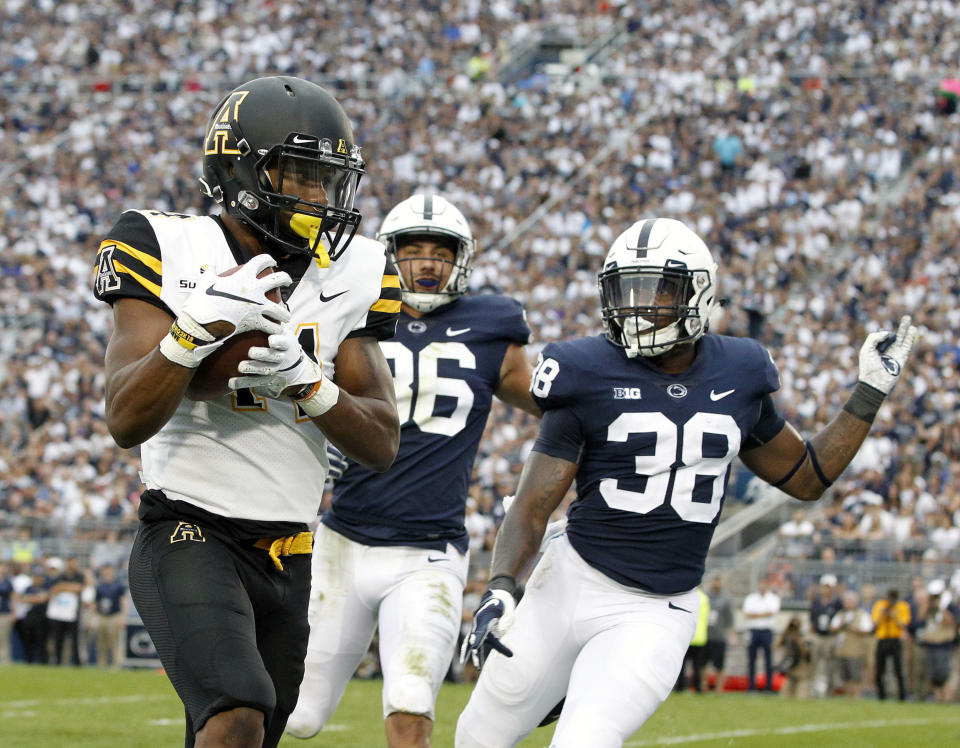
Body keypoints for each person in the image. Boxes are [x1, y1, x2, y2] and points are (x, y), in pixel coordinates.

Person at [455, 216, 917, 747]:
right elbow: (533, 506)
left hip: (655, 610)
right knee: (476, 736)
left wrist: (868, 394)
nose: (638, 306)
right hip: (570, 581)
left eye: (656, 291)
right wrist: (501, 587)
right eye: (626, 290)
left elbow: (807, 477)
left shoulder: (739, 372)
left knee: (585, 740)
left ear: (697, 293)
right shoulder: (585, 370)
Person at [94, 75, 401, 748]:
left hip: (291, 546)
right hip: (188, 525)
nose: (320, 198)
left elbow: (381, 442)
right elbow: (125, 417)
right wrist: (193, 331)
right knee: (238, 710)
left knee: (251, 732)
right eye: (300, 176)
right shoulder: (163, 243)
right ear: (239, 172)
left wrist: (310, 385)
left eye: (330, 180)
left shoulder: (358, 269)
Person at [286, 193, 539, 747]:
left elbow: (552, 404)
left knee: (411, 702)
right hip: (343, 542)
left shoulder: (493, 323)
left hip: (429, 552)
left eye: (439, 251)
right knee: (297, 716)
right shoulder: (354, 307)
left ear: (461, 259)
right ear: (390, 255)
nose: (426, 262)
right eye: (413, 250)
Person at [829, 590, 874, 699]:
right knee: (844, 675)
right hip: (842, 650)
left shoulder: (862, 615)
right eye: (847, 601)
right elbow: (832, 628)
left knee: (856, 676)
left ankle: (856, 696)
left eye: (850, 601)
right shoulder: (840, 615)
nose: (848, 603)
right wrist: (841, 626)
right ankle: (848, 696)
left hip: (856, 651)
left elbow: (868, 631)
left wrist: (852, 628)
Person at [45, 556, 86, 666]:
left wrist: (63, 587)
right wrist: (69, 588)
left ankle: (76, 662)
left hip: (73, 613)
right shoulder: (60, 576)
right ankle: (57, 661)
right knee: (58, 638)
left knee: (75, 639)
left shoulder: (79, 576)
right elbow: (54, 590)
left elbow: (79, 588)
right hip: (60, 612)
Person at [872, 588, 911, 701]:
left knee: (898, 669)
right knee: (880, 670)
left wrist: (894, 615)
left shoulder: (902, 606)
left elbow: (904, 625)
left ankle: (902, 696)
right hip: (882, 639)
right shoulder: (880, 605)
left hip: (895, 639)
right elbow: (875, 624)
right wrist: (882, 614)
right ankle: (881, 695)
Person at [743, 577, 781, 692]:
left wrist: (756, 614)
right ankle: (751, 686)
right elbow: (747, 613)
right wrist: (763, 614)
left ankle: (768, 686)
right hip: (753, 630)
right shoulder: (751, 598)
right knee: (751, 659)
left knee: (768, 660)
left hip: (767, 631)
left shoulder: (773, 598)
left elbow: (771, 612)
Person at [808, 573, 842, 697]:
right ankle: (812, 689)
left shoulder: (837, 602)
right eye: (825, 586)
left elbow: (841, 617)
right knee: (815, 663)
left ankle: (829, 691)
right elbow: (812, 617)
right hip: (818, 635)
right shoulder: (816, 601)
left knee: (830, 664)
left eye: (829, 587)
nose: (826, 589)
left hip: (830, 636)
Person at [93, 564, 128, 667]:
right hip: (102, 615)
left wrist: (123, 617)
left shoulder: (118, 585)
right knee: (101, 642)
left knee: (115, 641)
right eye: (105, 570)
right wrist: (93, 617)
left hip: (114, 616)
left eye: (109, 570)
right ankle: (101, 664)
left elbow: (124, 601)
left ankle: (117, 663)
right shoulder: (100, 586)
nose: (107, 572)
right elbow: (95, 602)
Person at [704, 575, 735, 692]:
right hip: (705, 635)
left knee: (720, 665)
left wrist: (732, 634)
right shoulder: (705, 597)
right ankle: (704, 685)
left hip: (720, 636)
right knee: (704, 663)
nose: (716, 583)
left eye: (718, 581)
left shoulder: (726, 599)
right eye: (714, 581)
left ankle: (719, 687)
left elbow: (730, 618)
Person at [776, 616, 812, 698]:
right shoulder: (787, 635)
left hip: (801, 663)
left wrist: (798, 640)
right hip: (791, 662)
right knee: (787, 689)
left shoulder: (803, 636)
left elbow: (805, 653)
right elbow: (776, 645)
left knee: (802, 690)